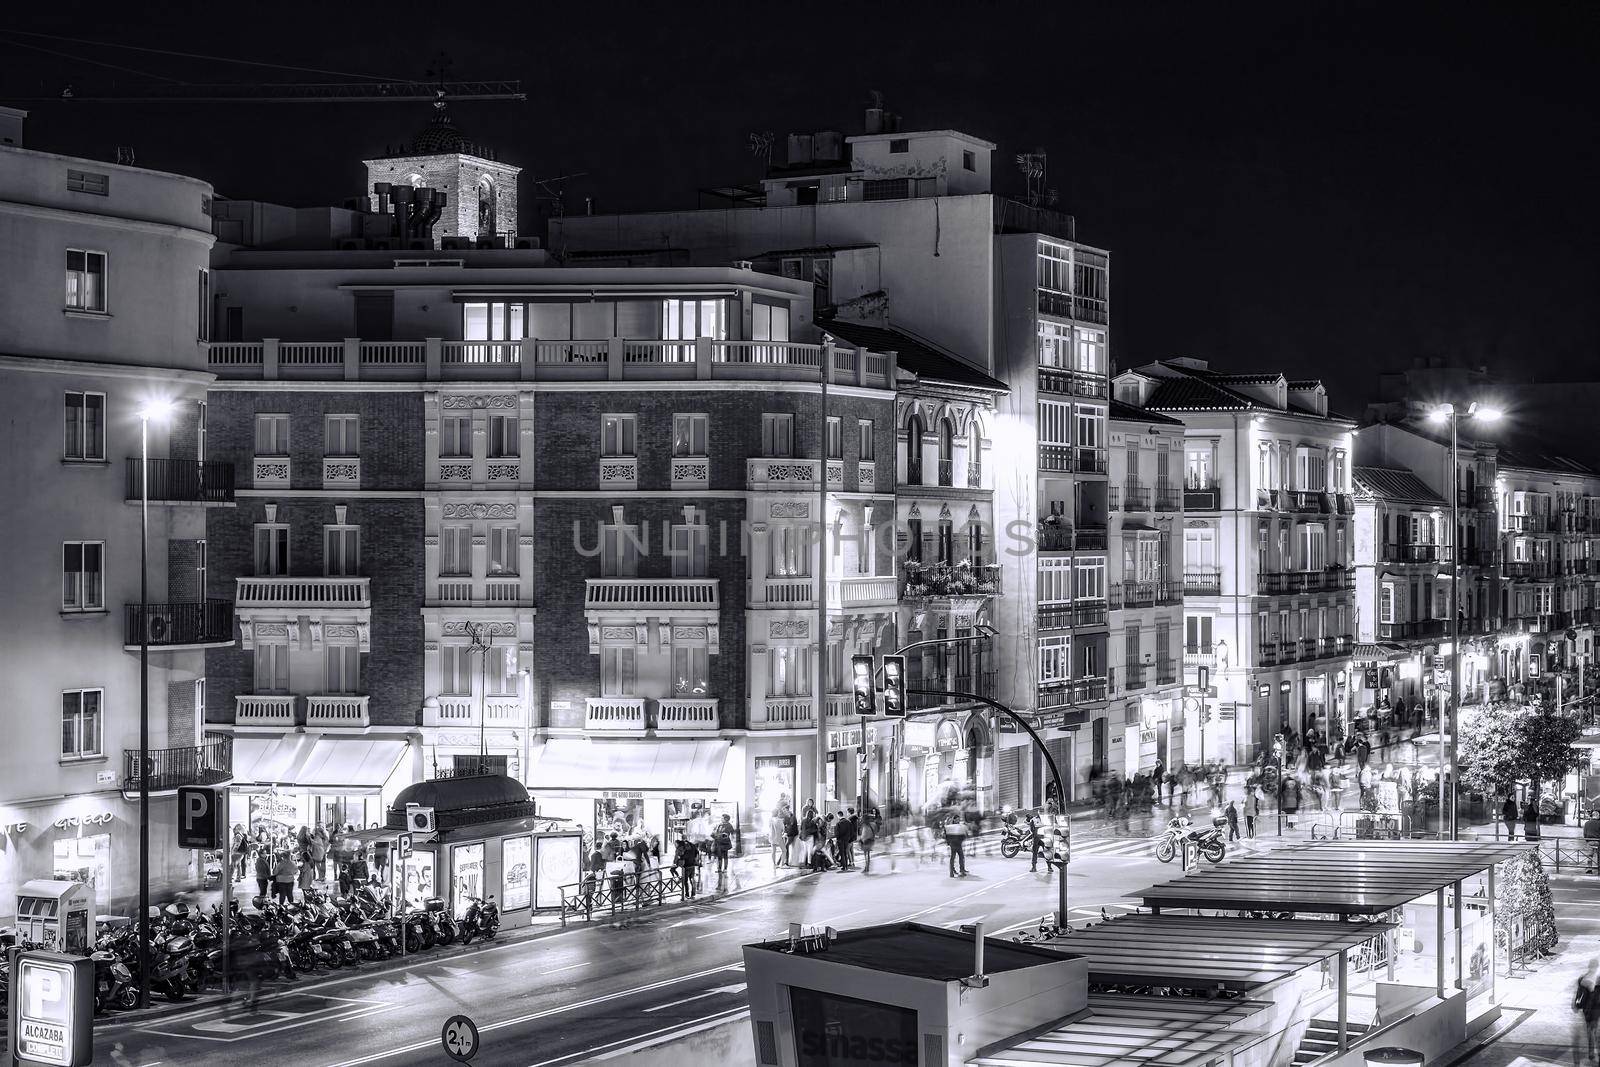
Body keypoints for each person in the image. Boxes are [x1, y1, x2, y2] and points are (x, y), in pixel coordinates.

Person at [1574, 957, 1600, 1063]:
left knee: (1590, 1030)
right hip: (1595, 1009)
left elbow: (1579, 994)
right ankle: (1594, 1052)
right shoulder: (1597, 979)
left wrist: (1576, 1004)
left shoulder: (1583, 979)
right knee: (1593, 1030)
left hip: (1588, 1009)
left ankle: (1591, 1053)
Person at [858, 808, 878, 873]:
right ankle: (867, 867)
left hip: (865, 841)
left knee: (866, 855)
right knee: (867, 855)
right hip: (870, 841)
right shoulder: (873, 824)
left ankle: (866, 868)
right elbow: (875, 832)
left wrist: (861, 840)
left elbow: (863, 834)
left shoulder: (864, 825)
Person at [1583, 809, 1600, 874]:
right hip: (1598, 841)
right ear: (1598, 816)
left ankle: (1589, 868)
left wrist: (1587, 840)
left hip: (1589, 841)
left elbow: (1585, 834)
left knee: (1589, 856)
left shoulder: (1587, 823)